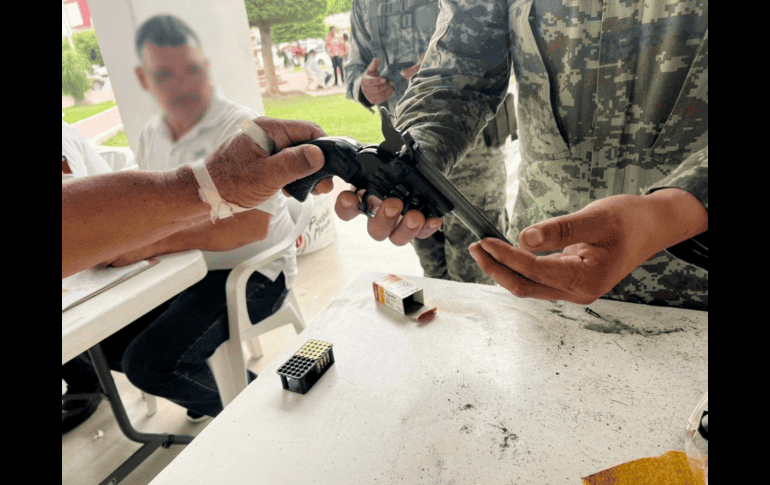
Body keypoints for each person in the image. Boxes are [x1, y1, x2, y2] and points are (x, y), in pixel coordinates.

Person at [337, 0, 708, 309]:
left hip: (692, 284)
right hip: (538, 274)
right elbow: (460, 66)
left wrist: (679, 209)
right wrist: (410, 157)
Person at [70, 14, 298, 420]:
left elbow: (250, 226)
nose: (182, 86)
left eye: (191, 70)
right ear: (145, 80)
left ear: (206, 68)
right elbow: (151, 216)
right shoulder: (150, 134)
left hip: (254, 275)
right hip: (185, 273)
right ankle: (212, 393)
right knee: (104, 346)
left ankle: (269, 414)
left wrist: (149, 244)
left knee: (150, 363)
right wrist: (134, 242)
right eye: (164, 75)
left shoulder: (242, 128)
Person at [345, 0, 516, 285]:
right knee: (432, 268)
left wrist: (447, 67)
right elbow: (354, 67)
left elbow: (505, 43)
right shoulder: (365, 3)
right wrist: (361, 85)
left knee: (479, 270)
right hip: (407, 153)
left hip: (476, 155)